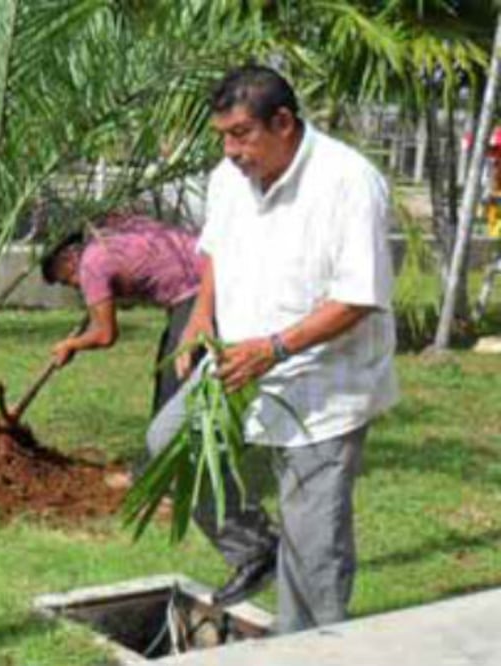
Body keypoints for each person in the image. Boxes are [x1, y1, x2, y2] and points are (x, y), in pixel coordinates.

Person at [155, 65, 398, 634]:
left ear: (283, 122)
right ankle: (253, 548)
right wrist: (199, 317)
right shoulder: (227, 178)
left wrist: (275, 348)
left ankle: (317, 647)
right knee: (167, 443)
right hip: (239, 364)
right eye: (222, 135)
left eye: (240, 134)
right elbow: (215, 249)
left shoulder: (347, 181)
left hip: (322, 388)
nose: (230, 149)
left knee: (314, 547)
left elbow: (360, 296)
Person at [41, 213, 205, 415]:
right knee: (171, 372)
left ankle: (173, 442)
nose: (75, 286)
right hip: (206, 273)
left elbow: (105, 335)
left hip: (198, 290)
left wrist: (71, 344)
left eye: (66, 280)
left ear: (67, 258)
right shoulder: (108, 239)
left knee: (173, 385)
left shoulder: (90, 266)